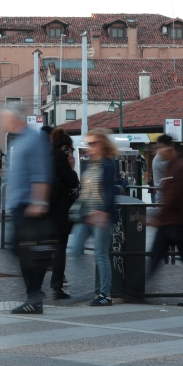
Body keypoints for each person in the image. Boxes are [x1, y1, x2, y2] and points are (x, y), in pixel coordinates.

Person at [0, 109, 52, 314]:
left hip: (28, 205)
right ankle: (34, 294)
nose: (2, 124)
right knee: (21, 250)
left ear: (15, 119)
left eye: (4, 120)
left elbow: (41, 173)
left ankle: (34, 295)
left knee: (22, 250)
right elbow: (17, 174)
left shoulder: (33, 139)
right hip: (19, 205)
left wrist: (38, 202)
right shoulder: (18, 141)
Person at [146, 134, 183, 307]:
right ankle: (137, 290)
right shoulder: (172, 166)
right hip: (173, 222)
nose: (158, 152)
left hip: (177, 223)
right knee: (159, 257)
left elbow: (172, 197)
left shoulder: (177, 168)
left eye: (160, 148)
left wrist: (156, 217)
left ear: (168, 148)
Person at [70, 129, 119, 306]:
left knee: (101, 254)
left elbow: (109, 191)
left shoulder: (108, 163)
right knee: (75, 249)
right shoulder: (91, 163)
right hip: (86, 215)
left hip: (100, 216)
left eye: (92, 144)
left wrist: (104, 213)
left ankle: (105, 294)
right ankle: (87, 285)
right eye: (88, 144)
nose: (89, 147)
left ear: (102, 144)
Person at [47, 127, 79, 300]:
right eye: (71, 149)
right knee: (59, 251)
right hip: (59, 212)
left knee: (45, 250)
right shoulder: (61, 158)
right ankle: (57, 288)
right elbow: (73, 182)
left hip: (45, 210)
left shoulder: (45, 156)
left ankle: (36, 287)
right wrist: (71, 167)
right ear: (65, 147)